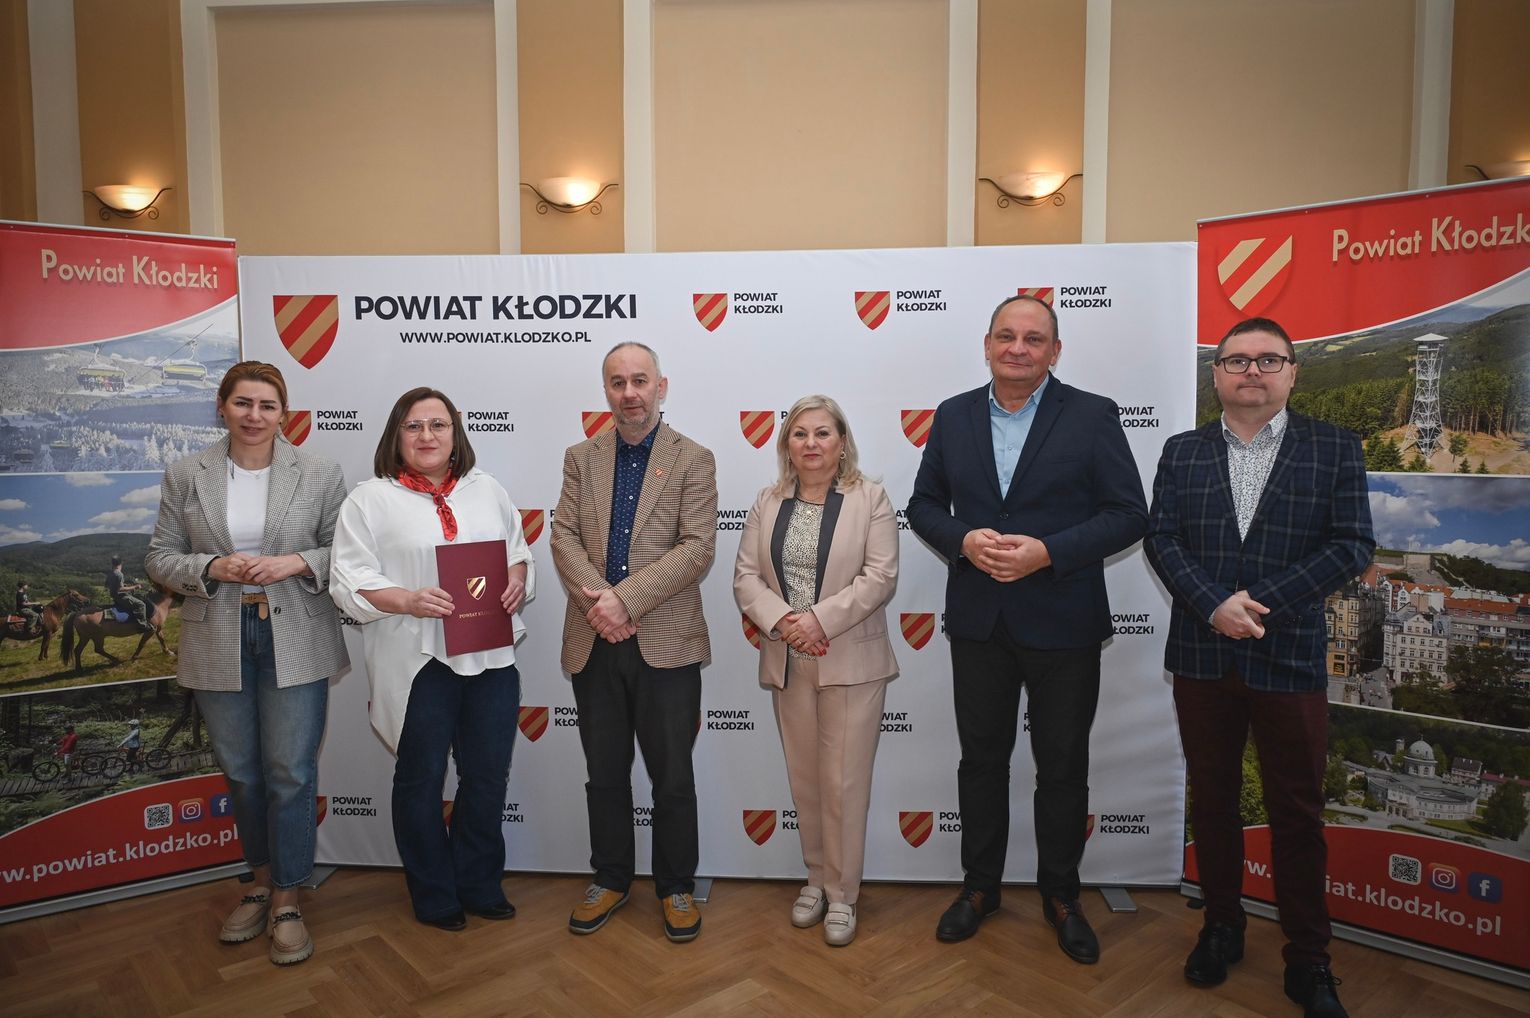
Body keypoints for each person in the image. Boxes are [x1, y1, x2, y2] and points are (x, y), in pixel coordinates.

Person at [1144, 317, 1374, 1018]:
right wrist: (1214, 605)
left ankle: (1309, 959)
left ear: (1292, 373)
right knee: (1213, 802)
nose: (1252, 371)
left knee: (1296, 812)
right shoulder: (1181, 451)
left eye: (1268, 359)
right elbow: (1162, 538)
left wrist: (1255, 603)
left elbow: (1351, 545)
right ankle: (1222, 925)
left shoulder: (1335, 447)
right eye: (1237, 360)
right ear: (1215, 374)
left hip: (1290, 655)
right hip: (1202, 653)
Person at [907, 294, 1147, 962]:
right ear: (987, 345)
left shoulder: (1093, 415)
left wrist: (1050, 552)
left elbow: (1129, 513)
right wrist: (962, 540)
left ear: (1055, 351)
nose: (1018, 348)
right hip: (980, 620)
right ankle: (980, 888)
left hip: (1064, 619)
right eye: (1006, 336)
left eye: (1033, 339)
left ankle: (1062, 896)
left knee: (1062, 768)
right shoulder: (953, 414)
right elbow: (923, 505)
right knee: (981, 763)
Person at [146, 359, 349, 966]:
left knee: (290, 772)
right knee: (241, 771)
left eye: (267, 405)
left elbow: (347, 551)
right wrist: (211, 567)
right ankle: (259, 882)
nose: (254, 416)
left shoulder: (319, 471)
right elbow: (159, 557)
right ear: (222, 407)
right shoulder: (187, 473)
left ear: (283, 413)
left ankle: (287, 897)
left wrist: (295, 562)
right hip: (217, 635)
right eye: (243, 403)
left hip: (296, 635)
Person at [330, 386, 534, 933]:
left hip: (490, 657)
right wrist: (408, 600)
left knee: (486, 777)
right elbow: (348, 578)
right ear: (396, 435)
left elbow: (518, 553)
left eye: (438, 425)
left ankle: (479, 883)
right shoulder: (369, 500)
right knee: (420, 779)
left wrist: (517, 580)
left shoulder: (487, 489)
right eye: (414, 426)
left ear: (455, 433)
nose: (427, 436)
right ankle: (433, 890)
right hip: (417, 660)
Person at [550, 341, 717, 943]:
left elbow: (697, 547)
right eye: (617, 382)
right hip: (594, 638)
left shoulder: (694, 458)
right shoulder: (580, 457)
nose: (629, 393)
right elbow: (563, 536)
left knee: (672, 777)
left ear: (660, 387)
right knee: (604, 773)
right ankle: (611, 878)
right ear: (606, 391)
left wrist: (627, 601)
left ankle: (676, 887)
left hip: (666, 641)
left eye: (640, 380)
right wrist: (603, 606)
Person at [733, 395, 898, 947]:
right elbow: (746, 577)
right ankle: (816, 879)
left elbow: (880, 577)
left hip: (850, 661)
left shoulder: (870, 499)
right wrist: (785, 623)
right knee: (806, 781)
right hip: (789, 660)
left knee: (843, 783)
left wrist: (817, 621)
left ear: (842, 442)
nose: (811, 443)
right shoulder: (768, 501)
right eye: (799, 434)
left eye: (822, 433)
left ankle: (843, 894)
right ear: (786, 445)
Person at [106, 555, 152, 633]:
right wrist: (135, 587)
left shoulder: (110, 573)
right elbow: (120, 589)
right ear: (121, 563)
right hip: (121, 597)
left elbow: (108, 585)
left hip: (114, 597)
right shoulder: (119, 574)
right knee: (141, 604)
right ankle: (142, 625)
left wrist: (124, 585)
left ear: (112, 563)